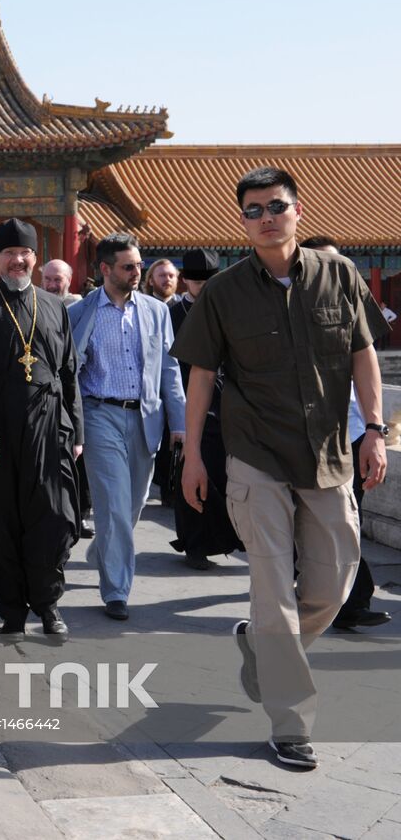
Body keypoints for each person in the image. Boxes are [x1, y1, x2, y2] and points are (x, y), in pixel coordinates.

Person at [173, 166, 389, 771]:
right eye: (254, 210)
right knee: (273, 588)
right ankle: (292, 723)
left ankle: (260, 647)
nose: (267, 217)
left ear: (297, 210)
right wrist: (192, 455)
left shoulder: (340, 275)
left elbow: (363, 353)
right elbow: (201, 378)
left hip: (328, 455)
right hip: (255, 457)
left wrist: (374, 429)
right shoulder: (222, 294)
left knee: (333, 582)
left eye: (276, 206)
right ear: (242, 221)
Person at [0, 219, 83, 639]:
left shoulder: (53, 307)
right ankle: (11, 609)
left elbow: (69, 373)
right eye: (9, 253)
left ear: (35, 258)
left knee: (50, 519)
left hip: (49, 430)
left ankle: (47, 605)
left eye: (25, 252)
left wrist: (76, 431)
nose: (18, 259)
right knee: (2, 523)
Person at [68, 233, 185, 621]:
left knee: (132, 505)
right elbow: (68, 373)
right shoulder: (81, 313)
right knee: (114, 503)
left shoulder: (156, 311)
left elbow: (169, 370)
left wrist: (179, 423)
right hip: (99, 413)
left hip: (145, 417)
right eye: (128, 266)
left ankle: (103, 549)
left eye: (139, 265)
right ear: (105, 269)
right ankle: (117, 590)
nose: (138, 272)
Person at [296, 236, 390, 632]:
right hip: (305, 436)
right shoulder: (292, 310)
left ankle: (349, 601)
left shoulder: (352, 308)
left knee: (349, 518)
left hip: (351, 434)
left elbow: (369, 371)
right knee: (315, 523)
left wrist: (376, 431)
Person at [166, 249, 243, 570]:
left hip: (224, 403)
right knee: (191, 471)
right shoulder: (172, 314)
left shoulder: (229, 312)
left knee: (223, 476)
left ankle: (222, 539)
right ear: (185, 281)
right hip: (185, 400)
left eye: (207, 281)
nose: (201, 287)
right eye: (196, 282)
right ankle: (194, 544)